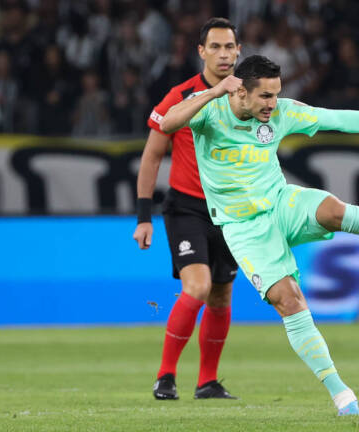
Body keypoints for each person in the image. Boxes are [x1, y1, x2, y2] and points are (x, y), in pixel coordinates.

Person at [159, 54, 359, 416]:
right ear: (242, 92)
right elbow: (166, 123)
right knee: (289, 300)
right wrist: (214, 90)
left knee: (335, 211)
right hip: (243, 227)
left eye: (276, 94)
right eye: (265, 96)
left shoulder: (280, 113)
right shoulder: (210, 110)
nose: (272, 104)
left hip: (281, 202)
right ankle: (341, 393)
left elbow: (337, 118)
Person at [132, 18, 241, 401]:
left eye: (230, 47)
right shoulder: (179, 97)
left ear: (238, 50)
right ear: (201, 52)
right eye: (216, 47)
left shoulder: (247, 95)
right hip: (186, 208)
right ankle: (165, 376)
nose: (224, 54)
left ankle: (207, 381)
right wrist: (144, 217)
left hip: (230, 210)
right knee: (197, 286)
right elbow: (151, 156)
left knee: (222, 295)